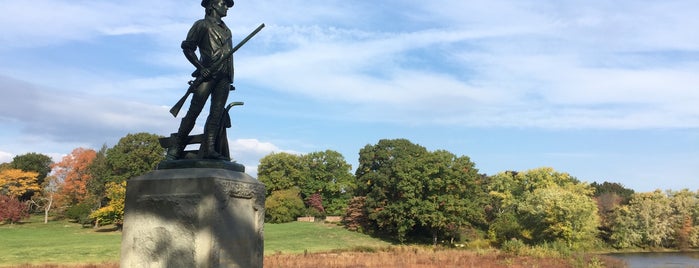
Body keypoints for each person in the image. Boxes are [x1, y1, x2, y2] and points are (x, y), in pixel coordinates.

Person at [167, 0, 235, 160]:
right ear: (212, 5)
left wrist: (229, 77)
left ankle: (209, 149)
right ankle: (177, 147)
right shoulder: (202, 25)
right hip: (208, 75)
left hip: (224, 77)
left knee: (216, 115)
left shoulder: (227, 30)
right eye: (223, 4)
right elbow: (188, 47)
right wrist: (200, 67)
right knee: (194, 111)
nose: (226, 7)